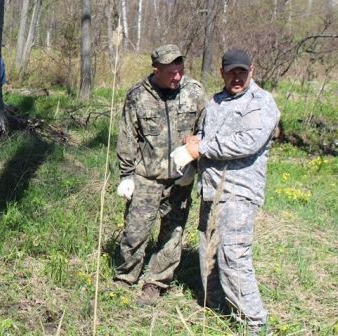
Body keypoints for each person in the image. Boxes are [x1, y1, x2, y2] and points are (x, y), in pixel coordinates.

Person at [182, 49, 279, 335]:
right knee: (207, 254)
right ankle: (217, 310)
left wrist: (203, 147)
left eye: (242, 71)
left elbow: (247, 141)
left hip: (239, 192)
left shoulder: (261, 102)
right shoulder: (215, 101)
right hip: (210, 191)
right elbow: (208, 136)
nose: (237, 77)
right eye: (231, 72)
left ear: (252, 70)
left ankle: (254, 324)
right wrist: (195, 140)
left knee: (232, 257)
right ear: (222, 72)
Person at [114, 44, 206, 305]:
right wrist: (126, 175)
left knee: (173, 233)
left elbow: (204, 132)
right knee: (135, 231)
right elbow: (127, 137)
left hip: (180, 180)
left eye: (180, 71)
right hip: (146, 177)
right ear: (156, 70)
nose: (177, 77)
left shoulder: (195, 92)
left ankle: (155, 283)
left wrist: (193, 168)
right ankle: (125, 276)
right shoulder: (137, 96)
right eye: (171, 73)